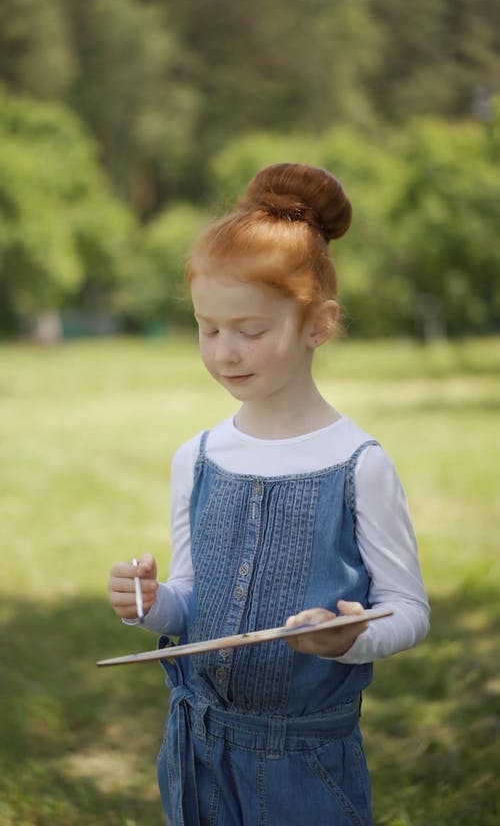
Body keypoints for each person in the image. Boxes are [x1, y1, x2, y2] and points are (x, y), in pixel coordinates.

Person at [108, 163, 430, 826]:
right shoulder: (196, 458)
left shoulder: (358, 464)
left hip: (304, 765)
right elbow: (192, 600)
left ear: (318, 323)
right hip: (194, 752)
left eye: (250, 330)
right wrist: (150, 604)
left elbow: (407, 609)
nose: (226, 352)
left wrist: (347, 639)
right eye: (208, 327)